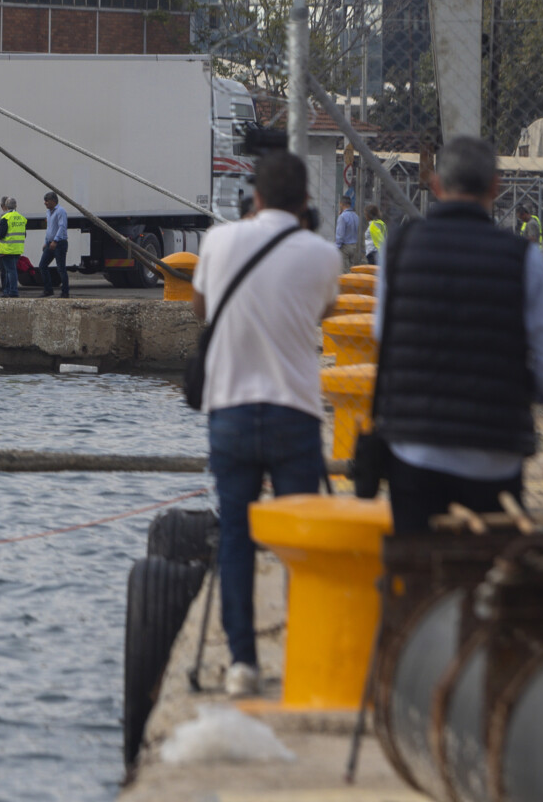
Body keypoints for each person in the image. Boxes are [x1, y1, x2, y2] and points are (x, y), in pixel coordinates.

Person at [190, 150, 340, 698]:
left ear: (254, 197)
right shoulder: (322, 255)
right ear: (305, 202)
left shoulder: (218, 242)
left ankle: (242, 663)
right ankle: (304, 647)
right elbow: (324, 310)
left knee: (234, 536)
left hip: (229, 410)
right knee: (303, 538)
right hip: (293, 412)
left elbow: (201, 310)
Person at [372, 137, 543, 535]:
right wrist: (512, 390)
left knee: (419, 576)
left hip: (415, 448)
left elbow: (384, 336)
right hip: (494, 455)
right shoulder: (523, 257)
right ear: (495, 186)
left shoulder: (397, 248)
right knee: (488, 577)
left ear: (435, 185)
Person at [38, 192, 70, 298]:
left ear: (53, 201)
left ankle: (65, 292)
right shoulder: (48, 212)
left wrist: (55, 241)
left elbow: (62, 227)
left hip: (59, 243)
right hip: (50, 243)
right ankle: (48, 290)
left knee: (61, 268)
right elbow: (49, 228)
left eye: (47, 200)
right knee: (42, 265)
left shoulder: (61, 211)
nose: (45, 203)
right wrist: (46, 241)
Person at [0, 197, 27, 297]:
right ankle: (9, 291)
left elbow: (0, 234)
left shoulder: (5, 217)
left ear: (5, 206)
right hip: (17, 249)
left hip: (7, 249)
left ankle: (12, 292)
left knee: (10, 271)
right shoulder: (21, 218)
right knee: (12, 270)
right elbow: (24, 234)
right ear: (16, 206)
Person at [334, 195, 363, 269]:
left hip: (345, 247)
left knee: (345, 271)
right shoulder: (356, 216)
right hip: (354, 246)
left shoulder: (342, 217)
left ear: (341, 204)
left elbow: (340, 234)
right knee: (352, 270)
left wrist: (337, 247)